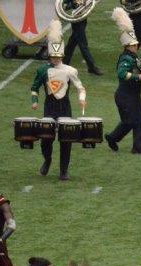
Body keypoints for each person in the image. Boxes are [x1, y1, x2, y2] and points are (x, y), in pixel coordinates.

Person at [30, 19, 86, 181]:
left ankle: (63, 170)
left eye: (58, 57)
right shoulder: (42, 70)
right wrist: (34, 101)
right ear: (50, 56)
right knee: (46, 139)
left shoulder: (70, 70)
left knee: (66, 140)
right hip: (49, 107)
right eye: (53, 57)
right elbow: (34, 88)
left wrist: (82, 99)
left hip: (64, 107)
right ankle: (47, 160)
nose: (55, 59)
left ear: (62, 56)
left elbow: (81, 87)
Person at [106, 8, 141, 154]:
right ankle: (112, 138)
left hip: (133, 94)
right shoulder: (125, 58)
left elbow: (139, 70)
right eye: (134, 45)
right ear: (128, 46)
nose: (137, 46)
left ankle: (137, 147)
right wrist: (138, 77)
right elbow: (122, 73)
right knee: (130, 121)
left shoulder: (134, 57)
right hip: (125, 95)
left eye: (136, 44)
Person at [62, 0, 102, 76]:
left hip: (83, 17)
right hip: (76, 19)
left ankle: (64, 62)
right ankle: (92, 66)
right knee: (83, 44)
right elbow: (65, 6)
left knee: (72, 42)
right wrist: (75, 4)